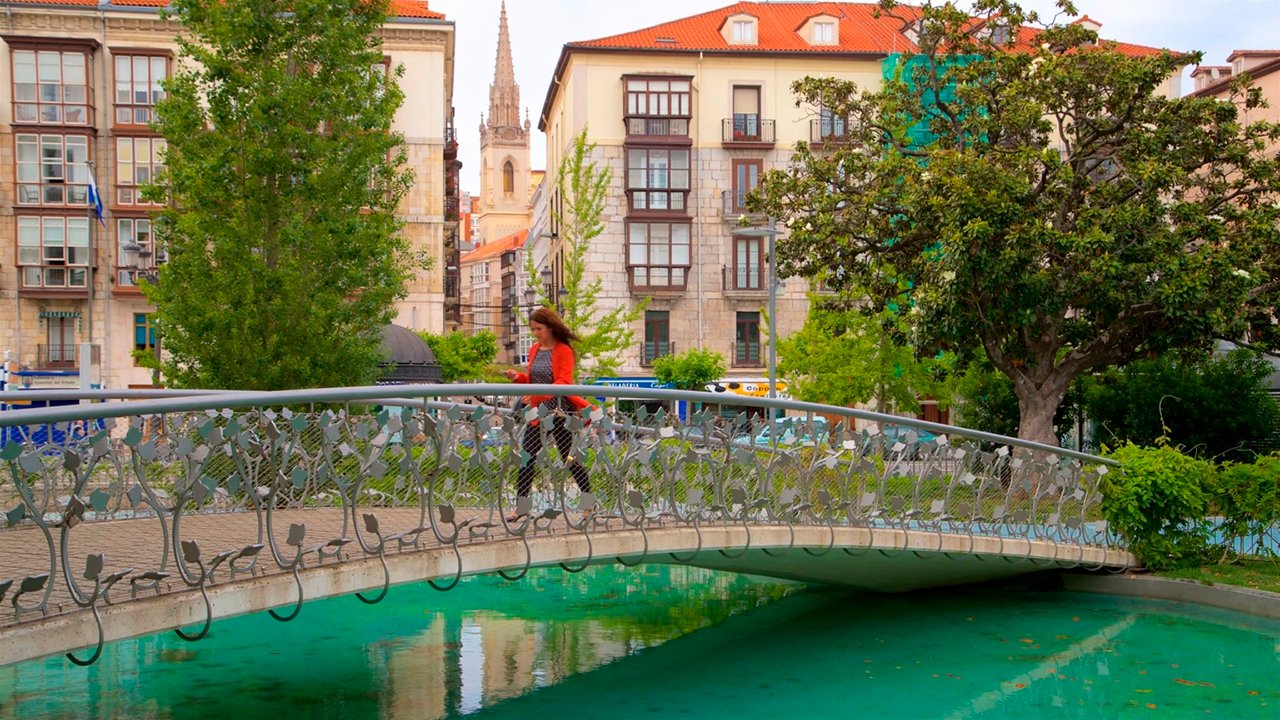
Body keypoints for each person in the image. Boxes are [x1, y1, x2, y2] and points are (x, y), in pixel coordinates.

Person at [503, 307, 592, 520]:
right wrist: (518, 378)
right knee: (527, 456)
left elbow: (563, 382)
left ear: (550, 327)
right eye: (533, 329)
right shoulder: (535, 349)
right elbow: (533, 379)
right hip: (538, 413)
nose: (535, 333)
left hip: (559, 412)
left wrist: (537, 394)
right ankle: (522, 506)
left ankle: (589, 503)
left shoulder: (563, 350)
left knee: (570, 458)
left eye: (538, 329)